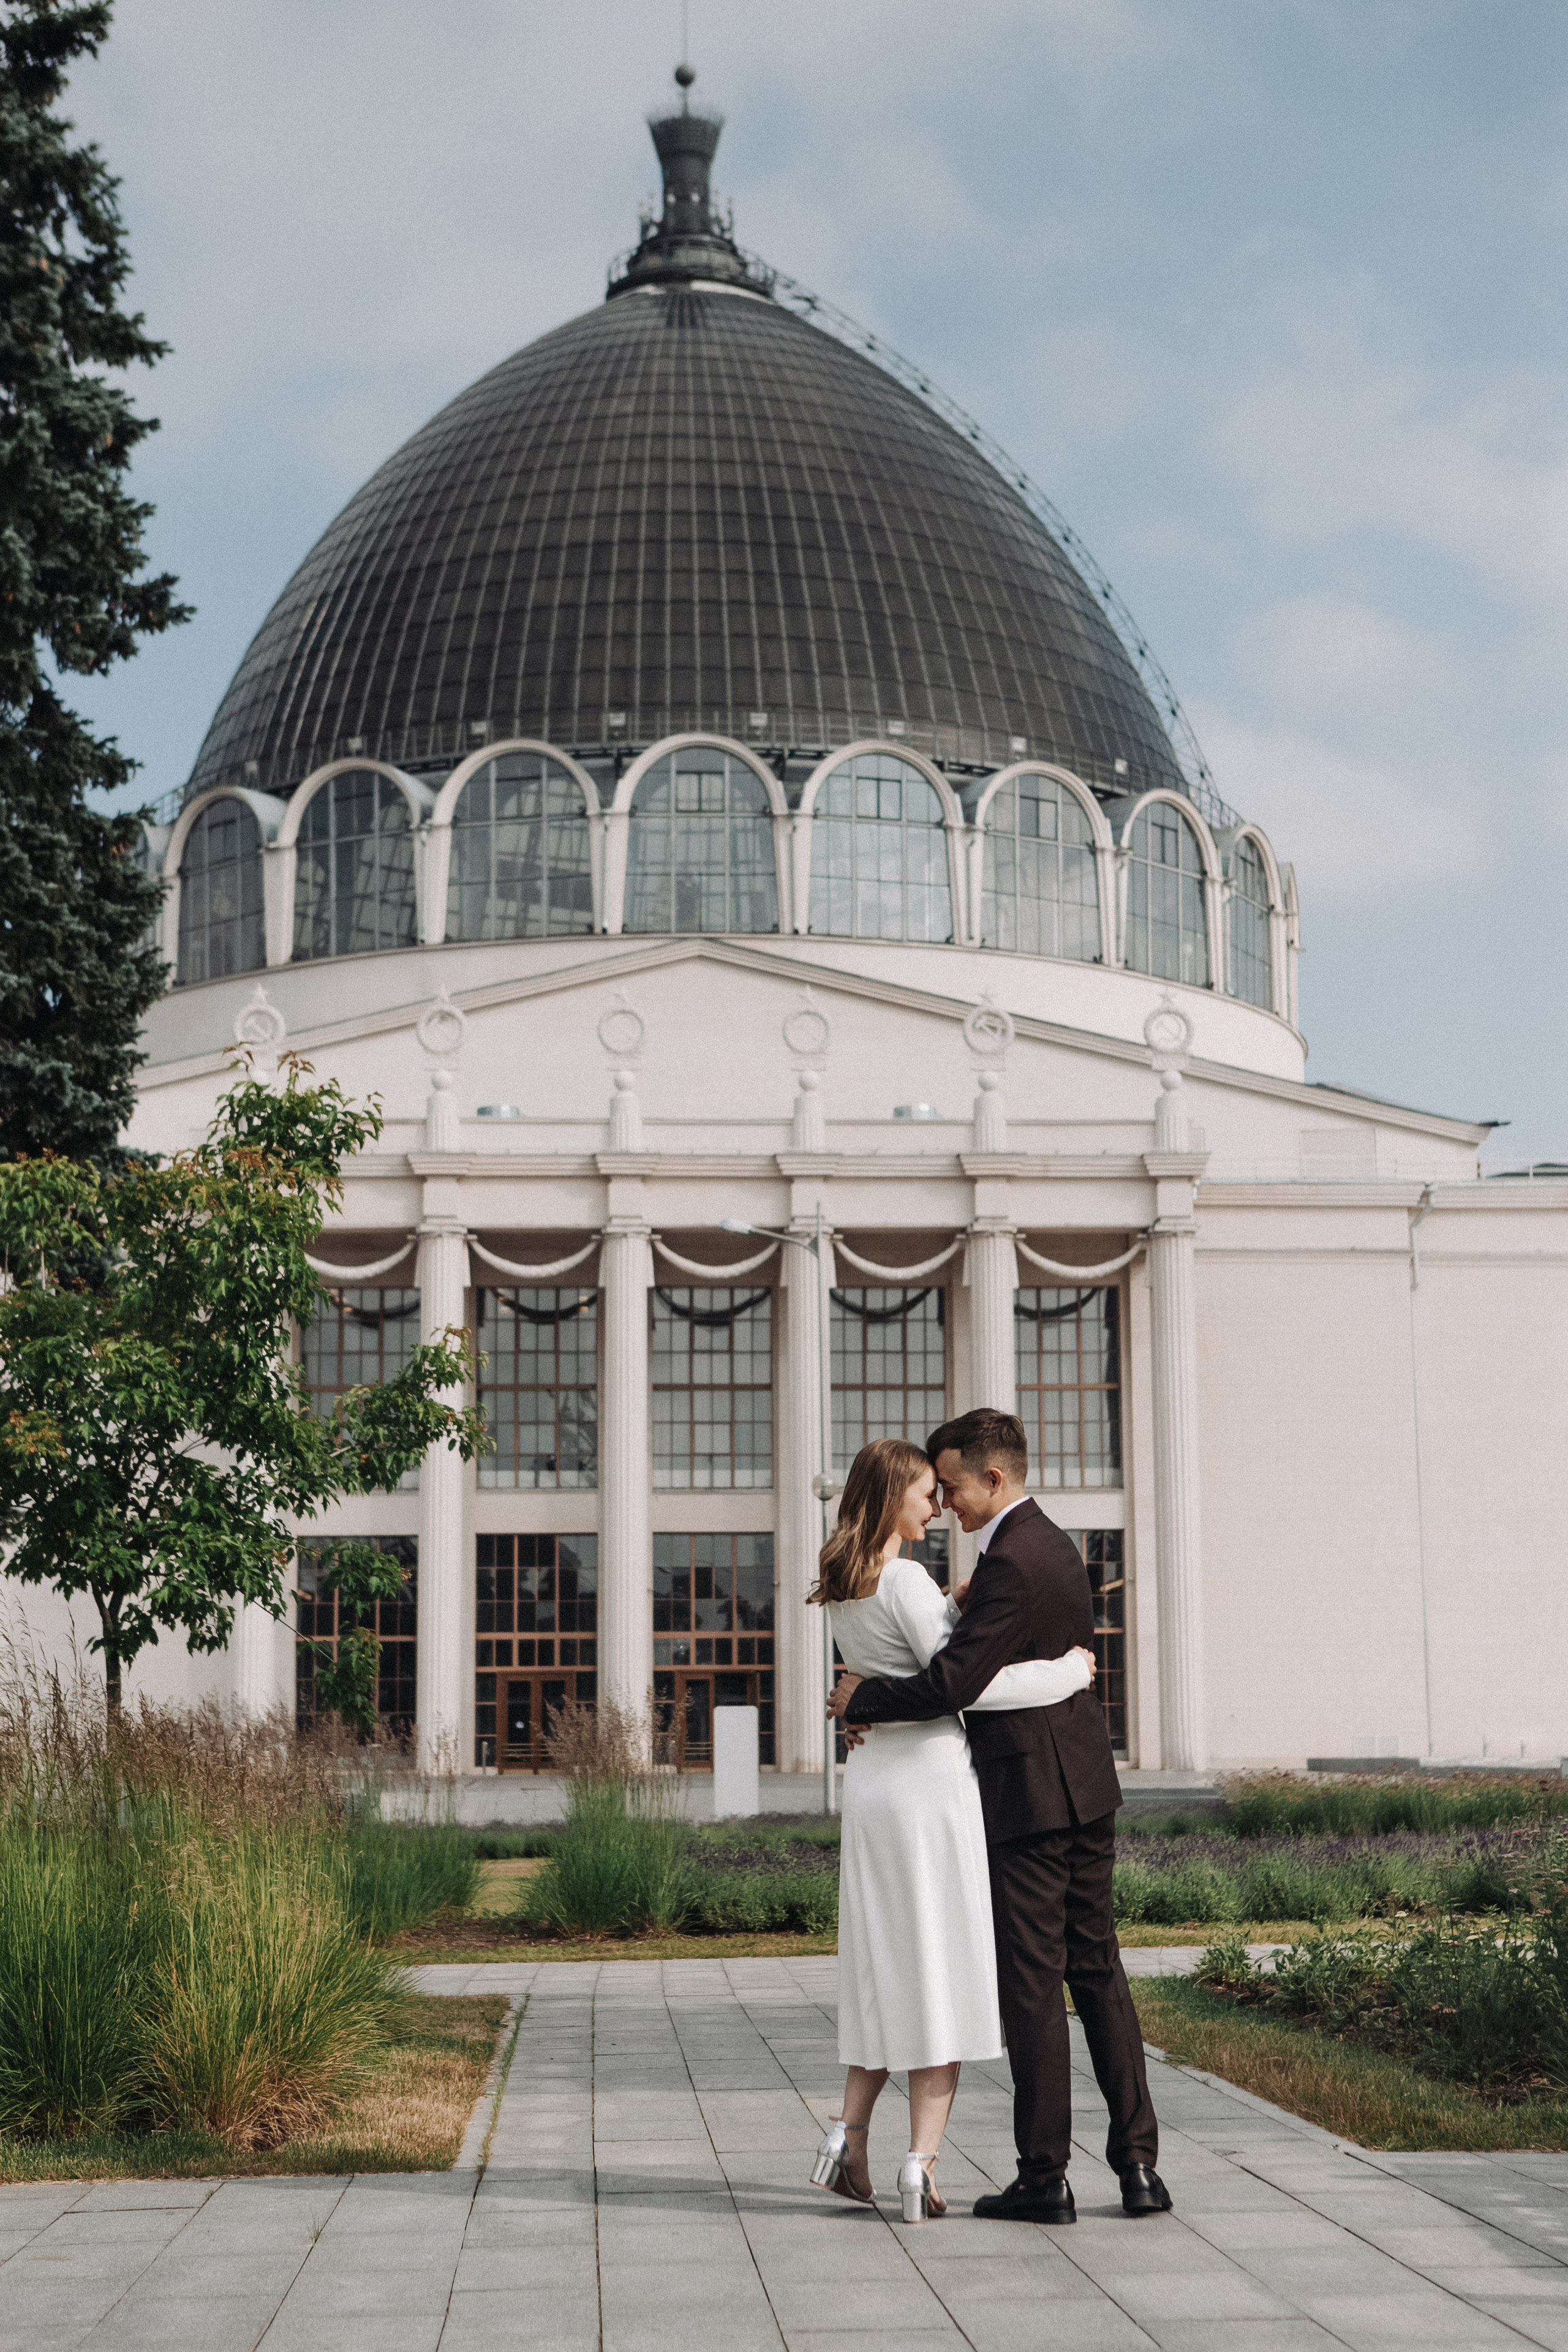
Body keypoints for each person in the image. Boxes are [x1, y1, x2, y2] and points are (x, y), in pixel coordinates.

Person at [829, 1408, 1171, 2225]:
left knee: (1031, 1986)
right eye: (931, 1489)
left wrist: (860, 1694)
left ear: (994, 1478)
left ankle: (1044, 2177)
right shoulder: (1054, 1546)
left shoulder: (1007, 1559)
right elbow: (989, 1642)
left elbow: (958, 1682)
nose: (944, 1503)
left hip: (1029, 1795)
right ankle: (1139, 2168)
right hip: (1088, 1785)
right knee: (1098, 1975)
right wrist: (1062, 1668)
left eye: (950, 1486)